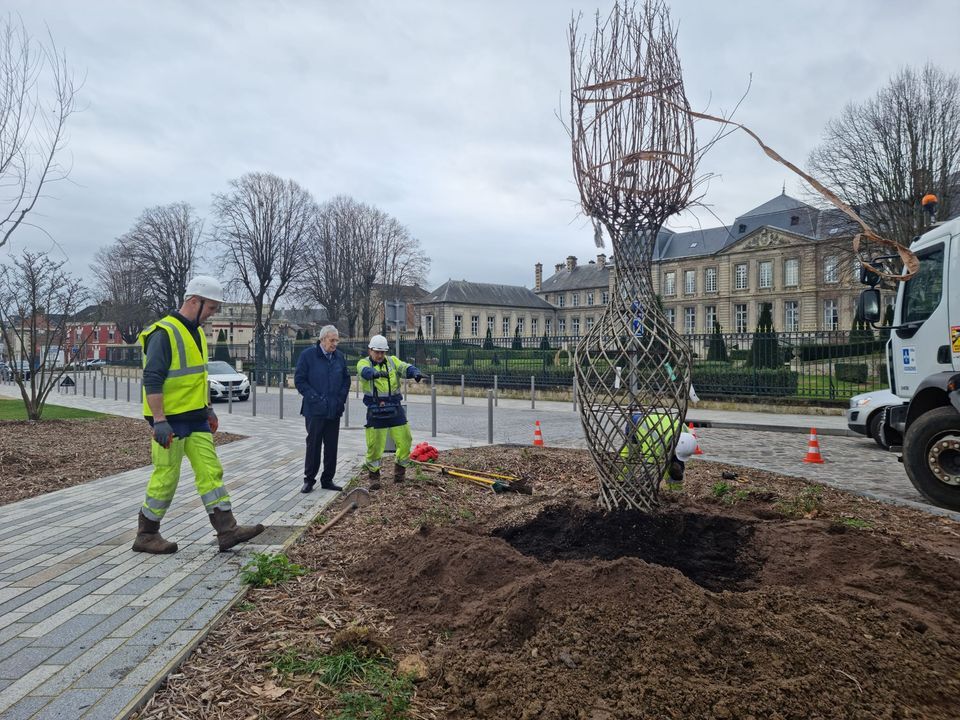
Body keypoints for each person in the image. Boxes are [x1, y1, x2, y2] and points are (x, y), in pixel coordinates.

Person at [132, 275, 264, 554]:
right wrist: (159, 421)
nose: (212, 314)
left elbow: (199, 377)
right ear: (195, 301)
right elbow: (152, 380)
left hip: (196, 418)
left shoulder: (197, 334)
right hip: (169, 421)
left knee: (210, 471)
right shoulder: (163, 333)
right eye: (211, 307)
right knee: (167, 476)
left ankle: (227, 530)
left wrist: (209, 409)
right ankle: (146, 534)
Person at [357, 334, 422, 490]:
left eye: (382, 352)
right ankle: (374, 477)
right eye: (377, 352)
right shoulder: (363, 363)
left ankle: (399, 473)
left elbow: (404, 367)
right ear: (370, 350)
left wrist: (414, 372)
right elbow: (364, 371)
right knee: (374, 445)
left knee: (405, 440)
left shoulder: (392, 361)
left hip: (394, 407)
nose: (380, 355)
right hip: (375, 409)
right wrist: (374, 373)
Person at [294, 324, 350, 494]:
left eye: (337, 340)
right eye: (332, 340)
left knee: (331, 446)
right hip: (315, 410)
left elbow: (346, 380)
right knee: (313, 445)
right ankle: (309, 480)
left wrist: (340, 400)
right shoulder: (308, 356)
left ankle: (327, 479)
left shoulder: (339, 357)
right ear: (322, 339)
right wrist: (315, 399)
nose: (335, 344)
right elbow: (300, 380)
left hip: (334, 409)